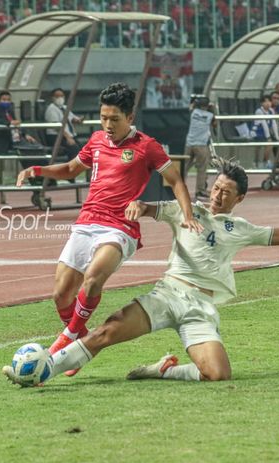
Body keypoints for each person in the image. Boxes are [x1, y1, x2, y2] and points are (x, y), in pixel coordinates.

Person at [4, 159, 279, 385]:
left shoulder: (240, 227)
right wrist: (139, 207)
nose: (219, 195)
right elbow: (148, 208)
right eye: (217, 187)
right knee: (107, 331)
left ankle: (162, 371)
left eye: (227, 192)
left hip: (200, 309)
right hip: (167, 295)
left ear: (240, 198)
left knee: (218, 375)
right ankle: (44, 368)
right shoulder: (184, 210)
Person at [15, 82, 203, 366]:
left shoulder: (146, 146)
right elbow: (69, 170)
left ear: (130, 117)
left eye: (114, 119)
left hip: (120, 227)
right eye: (103, 118)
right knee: (61, 294)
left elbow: (176, 180)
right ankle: (80, 340)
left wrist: (187, 215)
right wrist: (36, 170)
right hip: (87, 221)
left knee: (92, 279)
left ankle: (67, 339)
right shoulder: (96, 140)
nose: (107, 124)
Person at [184, 96, 216, 200]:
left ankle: (177, 189)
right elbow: (215, 124)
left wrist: (194, 101)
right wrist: (213, 109)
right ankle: (200, 191)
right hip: (201, 145)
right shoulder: (210, 115)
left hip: (189, 144)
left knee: (184, 167)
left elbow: (191, 105)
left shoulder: (193, 112)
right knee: (202, 168)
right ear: (207, 105)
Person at [44, 88, 82, 162]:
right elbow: (57, 127)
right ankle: (69, 169)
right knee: (74, 148)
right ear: (52, 98)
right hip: (56, 136)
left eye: (62, 96)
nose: (60, 98)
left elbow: (72, 118)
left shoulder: (64, 108)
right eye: (57, 96)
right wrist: (68, 138)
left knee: (83, 147)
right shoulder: (51, 109)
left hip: (67, 135)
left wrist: (78, 120)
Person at [250, 95, 279, 169]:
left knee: (270, 144)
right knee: (260, 146)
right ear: (261, 103)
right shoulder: (259, 111)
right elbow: (264, 124)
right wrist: (268, 137)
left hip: (265, 132)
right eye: (265, 101)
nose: (268, 103)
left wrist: (276, 136)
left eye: (269, 101)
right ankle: (256, 162)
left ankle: (264, 162)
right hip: (257, 131)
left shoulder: (271, 111)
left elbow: (273, 123)